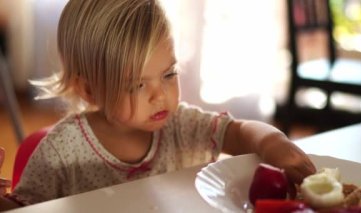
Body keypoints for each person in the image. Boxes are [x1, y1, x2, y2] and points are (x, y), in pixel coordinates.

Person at [0, 0, 316, 210]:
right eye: (137, 84)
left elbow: (241, 131)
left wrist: (274, 143)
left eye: (168, 73)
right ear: (89, 90)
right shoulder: (60, 153)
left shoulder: (181, 125)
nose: (160, 95)